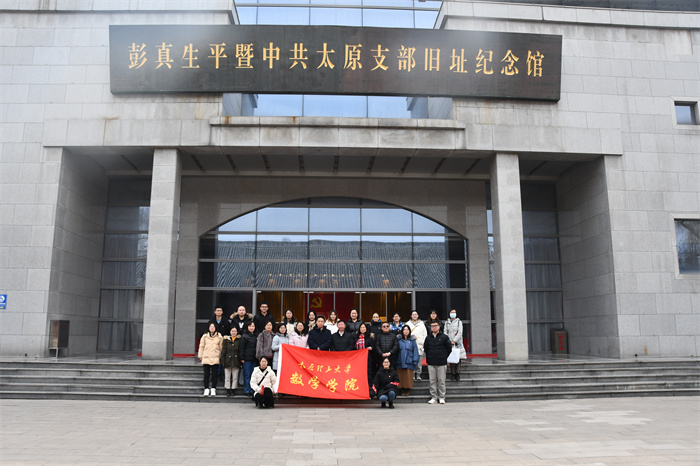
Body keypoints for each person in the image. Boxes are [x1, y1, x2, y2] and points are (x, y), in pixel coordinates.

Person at [423, 320, 452, 404]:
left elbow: (449, 349)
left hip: (441, 362)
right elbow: (426, 349)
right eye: (432, 326)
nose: (434, 327)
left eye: (435, 326)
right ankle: (434, 397)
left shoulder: (444, 337)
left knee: (441, 381)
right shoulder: (428, 338)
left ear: (439, 326)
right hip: (431, 362)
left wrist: (444, 356)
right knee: (432, 381)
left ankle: (442, 397)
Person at [197, 323, 223, 397]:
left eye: (213, 327)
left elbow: (221, 347)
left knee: (214, 374)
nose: (212, 328)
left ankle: (213, 388)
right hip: (206, 357)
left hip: (215, 357)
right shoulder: (205, 336)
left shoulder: (219, 336)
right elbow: (201, 346)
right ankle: (206, 388)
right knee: (206, 374)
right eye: (210, 327)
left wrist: (220, 356)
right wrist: (200, 355)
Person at [396, 325, 420, 396]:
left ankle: (407, 390)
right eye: (404, 330)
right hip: (400, 361)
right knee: (401, 376)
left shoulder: (412, 340)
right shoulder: (398, 340)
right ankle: (402, 390)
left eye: (407, 330)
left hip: (409, 361)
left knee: (408, 377)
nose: (406, 331)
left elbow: (415, 351)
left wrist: (415, 361)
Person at [444, 309, 466, 381]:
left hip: (457, 343)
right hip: (449, 343)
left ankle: (457, 373)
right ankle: (453, 373)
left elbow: (460, 332)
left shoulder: (459, 322)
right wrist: (448, 341)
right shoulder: (447, 322)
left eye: (454, 312)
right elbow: (445, 332)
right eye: (451, 312)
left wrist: (454, 340)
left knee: (458, 358)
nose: (453, 314)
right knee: (452, 358)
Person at [405, 310, 427, 381]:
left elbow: (425, 334)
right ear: (411, 316)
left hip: (419, 345)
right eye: (413, 314)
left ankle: (418, 375)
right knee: (411, 361)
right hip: (410, 345)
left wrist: (422, 342)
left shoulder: (421, 324)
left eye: (416, 314)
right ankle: (412, 374)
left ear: (418, 315)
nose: (414, 316)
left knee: (419, 361)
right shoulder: (408, 324)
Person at [220, 326, 241, 397]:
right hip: (227, 360)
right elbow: (223, 351)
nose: (233, 332)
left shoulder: (239, 340)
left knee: (235, 377)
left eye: (235, 331)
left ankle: (233, 390)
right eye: (232, 331)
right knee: (227, 377)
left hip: (236, 361)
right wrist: (223, 360)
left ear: (237, 332)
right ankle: (228, 390)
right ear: (230, 332)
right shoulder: (226, 340)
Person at [238, 322, 257, 397]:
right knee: (247, 375)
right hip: (246, 359)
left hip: (254, 358)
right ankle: (247, 390)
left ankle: (252, 389)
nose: (251, 328)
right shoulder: (244, 336)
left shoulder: (256, 335)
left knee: (253, 375)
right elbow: (241, 348)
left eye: (253, 326)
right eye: (250, 326)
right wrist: (242, 358)